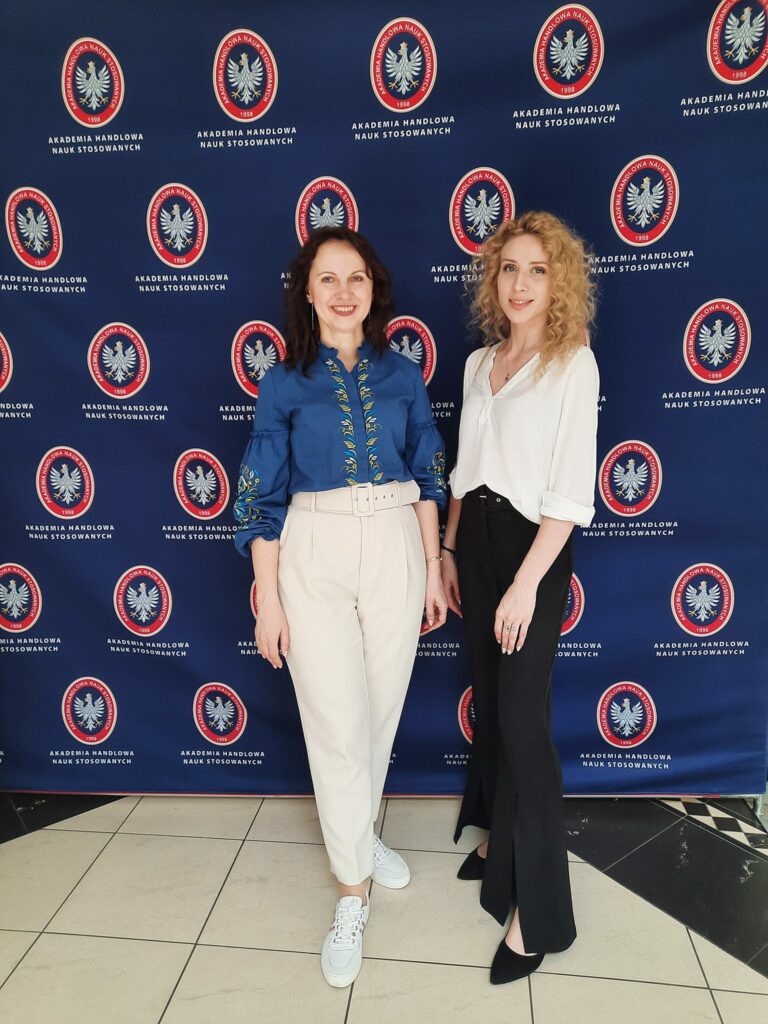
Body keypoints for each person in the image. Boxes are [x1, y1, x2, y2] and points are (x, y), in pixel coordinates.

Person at [233, 226, 448, 988]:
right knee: (335, 722)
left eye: (355, 277)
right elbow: (259, 498)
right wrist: (268, 599)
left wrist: (432, 568)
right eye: (327, 278)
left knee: (379, 713)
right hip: (313, 549)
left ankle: (359, 834)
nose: (343, 292)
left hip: (394, 540)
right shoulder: (282, 383)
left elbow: (429, 474)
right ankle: (351, 894)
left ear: (373, 288)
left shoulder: (403, 374)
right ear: (307, 292)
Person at [440, 211, 599, 984]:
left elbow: (569, 494)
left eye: (538, 269)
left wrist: (526, 585)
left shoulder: (573, 364)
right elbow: (465, 470)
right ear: (493, 279)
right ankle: (495, 840)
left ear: (557, 281)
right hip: (474, 542)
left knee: (521, 719)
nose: (521, 283)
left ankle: (538, 917)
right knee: (488, 691)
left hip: (533, 549)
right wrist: (447, 550)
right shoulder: (480, 363)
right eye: (509, 268)